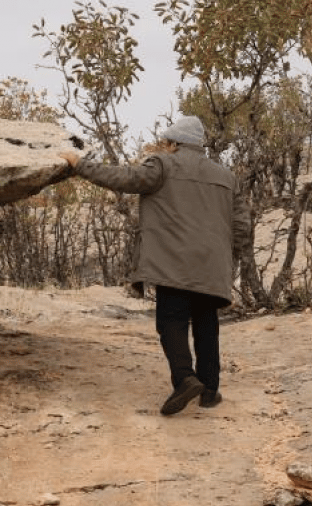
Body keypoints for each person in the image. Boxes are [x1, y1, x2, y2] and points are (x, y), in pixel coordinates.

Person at [58, 116, 250, 416]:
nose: (164, 146)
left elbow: (124, 179)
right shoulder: (226, 177)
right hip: (213, 263)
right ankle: (210, 391)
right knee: (206, 324)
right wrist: (230, 260)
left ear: (175, 144)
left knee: (171, 321)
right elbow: (241, 225)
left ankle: (185, 379)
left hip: (173, 262)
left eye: (167, 142)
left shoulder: (162, 165)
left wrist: (79, 165)